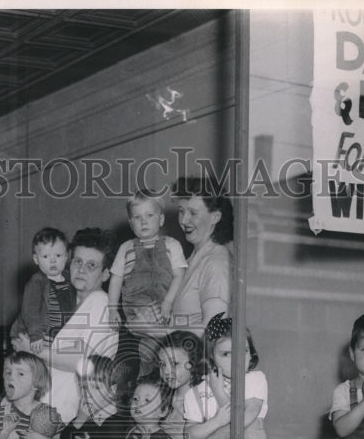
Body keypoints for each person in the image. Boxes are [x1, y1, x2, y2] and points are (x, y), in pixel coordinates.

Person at [18, 227, 120, 424]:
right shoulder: (64, 302)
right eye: (77, 261)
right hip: (46, 405)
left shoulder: (101, 302)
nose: (81, 270)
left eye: (91, 265)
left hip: (68, 413)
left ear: (106, 274)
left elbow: (85, 362)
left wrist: (33, 350)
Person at [108, 190, 188, 376]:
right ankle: (146, 386)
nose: (143, 221)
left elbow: (179, 275)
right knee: (147, 356)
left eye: (149, 215)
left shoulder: (171, 244)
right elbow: (116, 279)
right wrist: (112, 308)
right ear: (130, 223)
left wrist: (168, 302)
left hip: (164, 310)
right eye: (137, 217)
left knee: (170, 355)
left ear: (160, 220)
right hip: (138, 311)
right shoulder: (126, 248)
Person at [167, 176, 233, 336]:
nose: (184, 220)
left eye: (193, 213)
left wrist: (157, 332)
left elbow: (213, 329)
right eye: (181, 211)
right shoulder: (191, 260)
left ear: (215, 217)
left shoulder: (216, 263)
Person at [9, 227, 77, 354]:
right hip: (39, 335)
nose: (52, 260)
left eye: (58, 255)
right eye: (45, 256)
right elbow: (30, 310)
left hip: (58, 336)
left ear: (66, 256)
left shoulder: (70, 279)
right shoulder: (37, 281)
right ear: (36, 259)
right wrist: (35, 335)